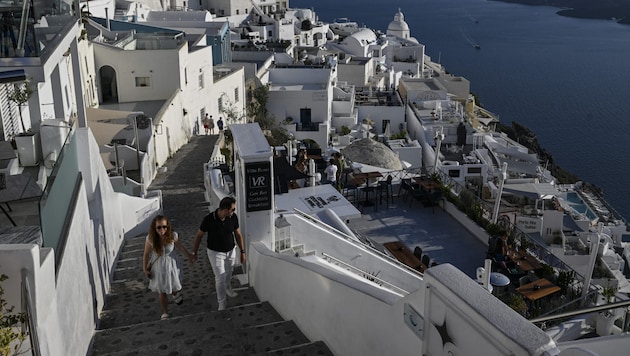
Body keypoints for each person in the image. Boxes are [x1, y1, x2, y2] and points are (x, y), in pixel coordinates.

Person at [192, 196, 246, 311]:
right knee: (220, 278)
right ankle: (222, 303)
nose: (234, 211)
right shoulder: (209, 219)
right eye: (233, 209)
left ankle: (227, 287)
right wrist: (194, 252)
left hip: (231, 250)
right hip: (215, 252)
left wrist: (242, 251)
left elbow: (238, 234)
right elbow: (199, 236)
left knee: (229, 272)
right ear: (225, 210)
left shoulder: (233, 218)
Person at [143, 215, 195, 320]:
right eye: (159, 227)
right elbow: (146, 254)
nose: (162, 229)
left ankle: (175, 293)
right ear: (154, 227)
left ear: (168, 226)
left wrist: (189, 255)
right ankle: (165, 312)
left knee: (172, 284)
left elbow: (179, 247)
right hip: (158, 267)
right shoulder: (150, 238)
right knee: (161, 290)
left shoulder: (173, 236)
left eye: (164, 227)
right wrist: (144, 268)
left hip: (171, 264)